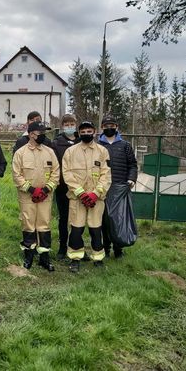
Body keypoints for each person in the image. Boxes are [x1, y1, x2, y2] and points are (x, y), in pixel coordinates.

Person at [62, 121, 111, 273]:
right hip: (77, 198)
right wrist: (81, 193)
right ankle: (75, 259)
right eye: (83, 131)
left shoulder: (102, 151)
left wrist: (96, 193)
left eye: (89, 131)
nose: (86, 134)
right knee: (76, 229)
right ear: (79, 132)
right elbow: (67, 174)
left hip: (96, 199)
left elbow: (106, 174)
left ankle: (98, 258)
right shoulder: (70, 152)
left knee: (96, 229)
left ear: (94, 132)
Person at [12, 121, 59, 272]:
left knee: (44, 225)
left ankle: (44, 258)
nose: (44, 136)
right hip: (27, 196)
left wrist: (46, 189)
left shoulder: (49, 152)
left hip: (46, 196)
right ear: (32, 134)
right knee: (28, 224)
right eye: (41, 133)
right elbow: (16, 175)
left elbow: (56, 172)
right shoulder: (20, 153)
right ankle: (29, 256)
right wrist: (32, 190)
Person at [98, 115, 138, 258]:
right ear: (102, 128)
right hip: (103, 188)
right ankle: (106, 248)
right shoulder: (98, 145)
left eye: (112, 125)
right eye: (106, 125)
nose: (109, 128)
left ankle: (118, 249)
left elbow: (132, 164)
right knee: (104, 220)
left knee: (119, 220)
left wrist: (131, 179)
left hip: (120, 187)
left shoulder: (125, 145)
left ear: (117, 127)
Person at [51, 114, 80, 260]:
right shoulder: (57, 143)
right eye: (67, 124)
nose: (69, 126)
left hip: (80, 188)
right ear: (63, 126)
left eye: (72, 123)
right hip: (63, 187)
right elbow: (55, 166)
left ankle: (77, 245)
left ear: (76, 124)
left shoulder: (82, 141)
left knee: (79, 219)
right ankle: (62, 247)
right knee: (63, 218)